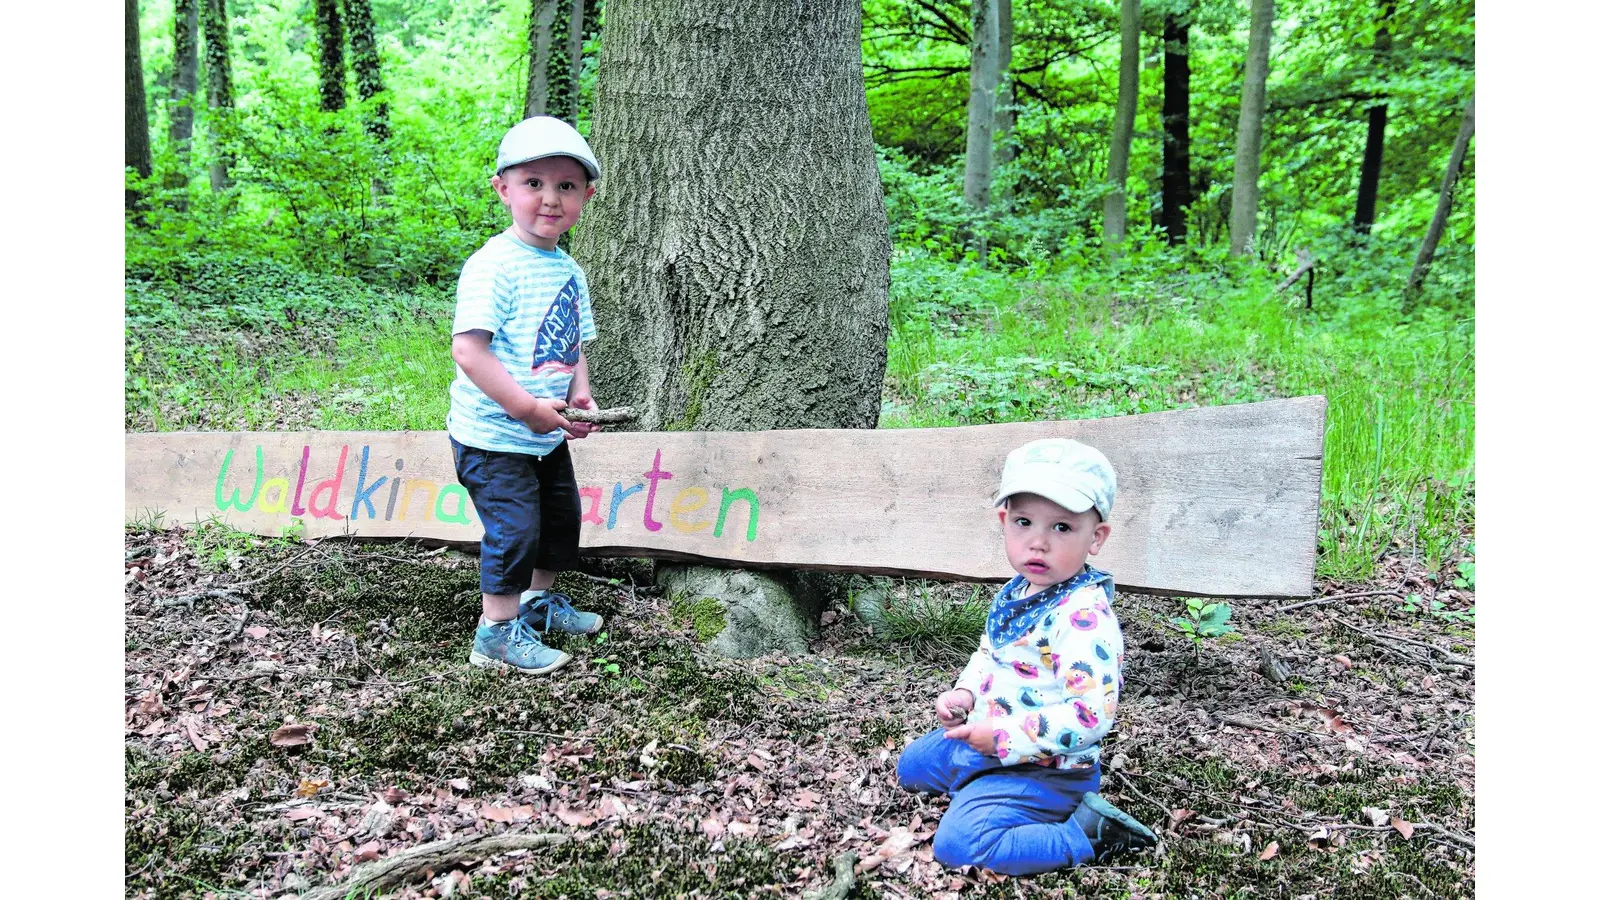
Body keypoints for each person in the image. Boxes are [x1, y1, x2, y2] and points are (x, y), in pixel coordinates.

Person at [896, 438, 1159, 874]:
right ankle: (979, 787)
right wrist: (963, 694)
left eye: (1061, 528)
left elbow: (1090, 715)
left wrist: (1003, 737)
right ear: (1004, 521)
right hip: (989, 742)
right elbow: (990, 652)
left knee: (961, 845)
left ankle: (1085, 833)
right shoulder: (1020, 590)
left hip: (1045, 768)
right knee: (913, 766)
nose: (1038, 543)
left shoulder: (1081, 618)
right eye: (1024, 521)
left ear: (1096, 538)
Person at [447, 116, 609, 675]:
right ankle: (494, 635)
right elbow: (469, 352)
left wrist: (579, 397)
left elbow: (571, 344)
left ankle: (537, 607)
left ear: (585, 196)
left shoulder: (568, 270)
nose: (550, 198)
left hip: (544, 433)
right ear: (503, 189)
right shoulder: (494, 265)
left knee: (559, 523)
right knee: (514, 533)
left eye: (566, 186)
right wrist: (526, 410)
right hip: (494, 436)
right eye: (534, 183)